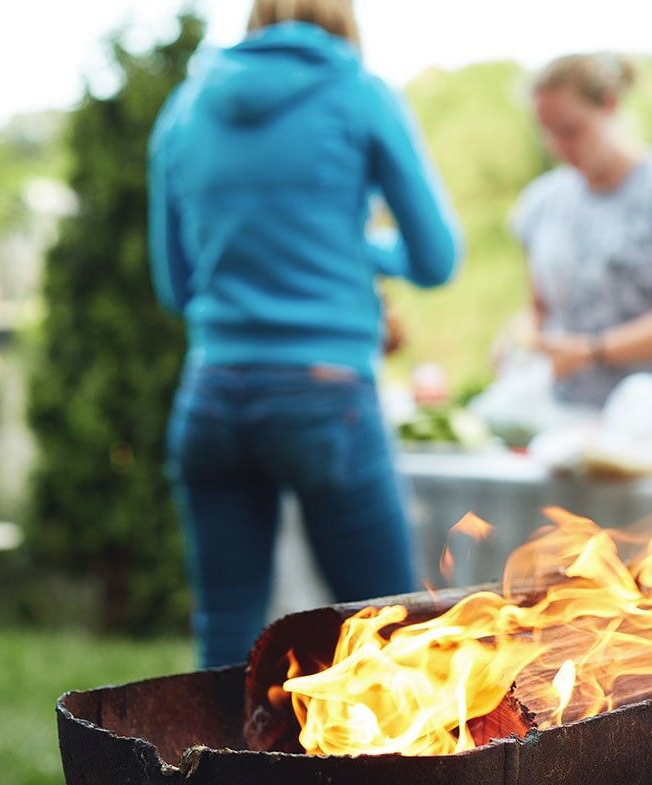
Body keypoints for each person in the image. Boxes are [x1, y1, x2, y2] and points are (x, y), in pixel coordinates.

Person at [148, 0, 462, 668]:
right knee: (387, 627)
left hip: (211, 392)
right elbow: (436, 258)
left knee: (226, 631)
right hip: (325, 397)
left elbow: (177, 289)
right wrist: (359, 251)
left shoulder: (185, 107)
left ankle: (216, 772)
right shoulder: (359, 95)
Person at [512, 53, 652, 408]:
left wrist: (592, 351)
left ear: (608, 106)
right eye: (547, 133)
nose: (559, 148)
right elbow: (540, 310)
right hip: (569, 411)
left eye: (570, 131)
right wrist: (523, 339)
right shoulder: (540, 203)